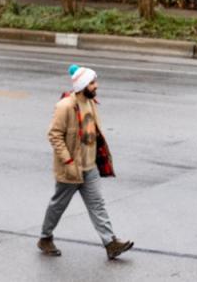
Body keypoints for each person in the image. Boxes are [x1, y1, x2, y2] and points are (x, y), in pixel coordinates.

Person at [38, 64, 134, 260]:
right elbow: (54, 135)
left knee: (97, 205)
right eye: (92, 83)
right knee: (58, 206)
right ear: (82, 85)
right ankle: (45, 238)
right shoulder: (65, 106)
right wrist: (69, 160)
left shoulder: (90, 103)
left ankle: (110, 243)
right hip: (71, 169)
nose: (96, 86)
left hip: (90, 168)